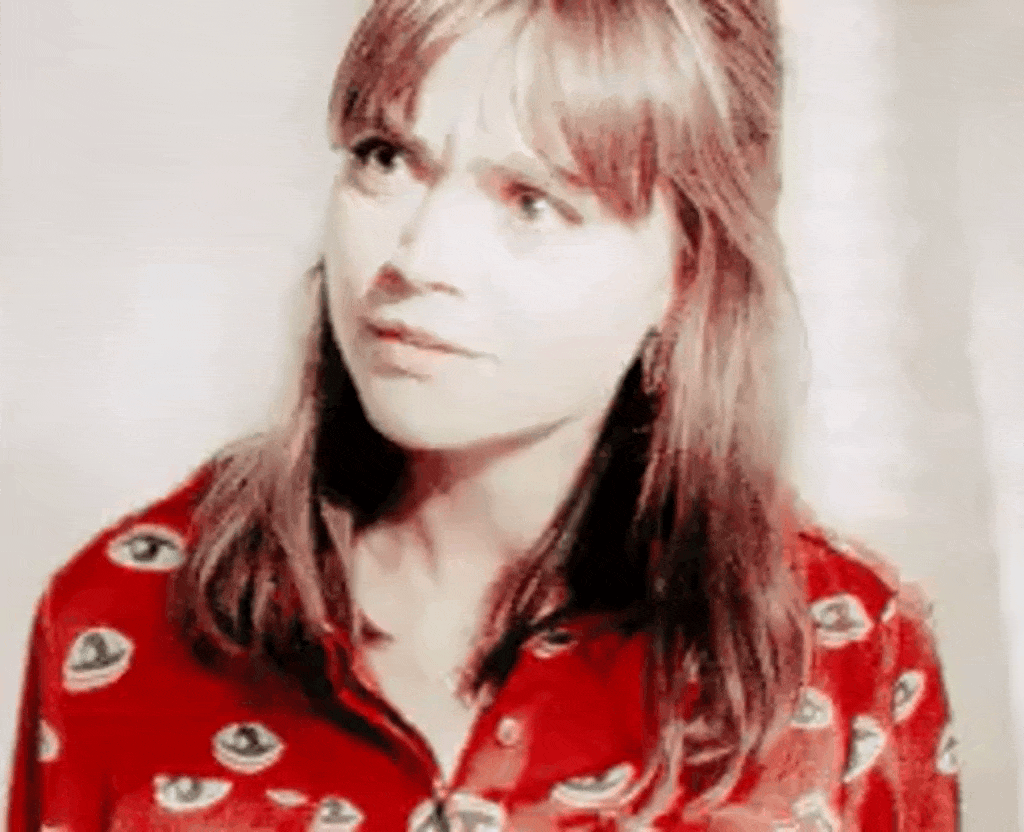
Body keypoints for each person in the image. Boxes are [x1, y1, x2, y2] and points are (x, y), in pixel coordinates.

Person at [7, 0, 962, 828]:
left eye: (532, 202)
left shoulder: (846, 652)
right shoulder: (120, 615)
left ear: (686, 270)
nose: (418, 257)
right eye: (387, 158)